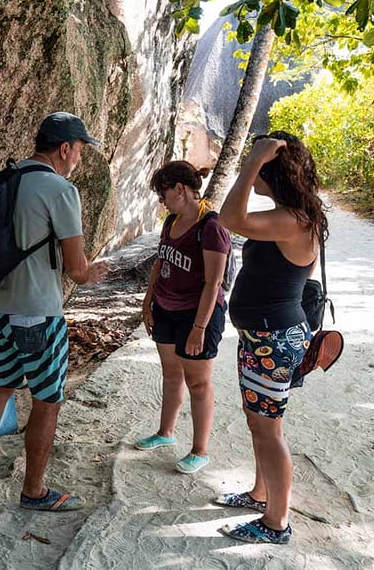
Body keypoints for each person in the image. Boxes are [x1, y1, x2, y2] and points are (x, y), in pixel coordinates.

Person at [0, 112, 109, 511]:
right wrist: (91, 275)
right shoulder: (59, 190)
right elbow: (75, 267)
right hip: (36, 313)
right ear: (65, 148)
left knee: (1, 384)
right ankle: (34, 490)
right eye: (79, 152)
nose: (79, 160)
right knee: (47, 399)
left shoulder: (4, 179)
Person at [215, 131, 327, 545]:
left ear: (272, 170)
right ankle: (261, 494)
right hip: (266, 337)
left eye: (261, 165)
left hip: (273, 339)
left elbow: (229, 219)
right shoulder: (295, 213)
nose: (255, 169)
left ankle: (276, 522)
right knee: (258, 422)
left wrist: (251, 163)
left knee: (268, 430)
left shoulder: (293, 218)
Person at [136, 161, 230, 474]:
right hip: (166, 309)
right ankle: (165, 433)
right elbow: (160, 264)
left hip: (197, 314)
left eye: (163, 194)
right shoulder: (171, 221)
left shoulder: (211, 227)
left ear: (180, 189)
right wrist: (148, 303)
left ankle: (199, 450)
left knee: (198, 383)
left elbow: (213, 282)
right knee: (171, 373)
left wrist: (199, 328)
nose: (160, 201)